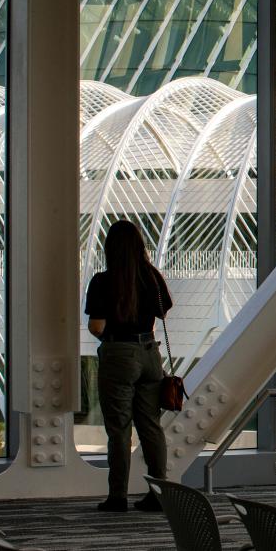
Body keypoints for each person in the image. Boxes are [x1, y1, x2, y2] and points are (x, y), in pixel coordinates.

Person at [85, 219, 173, 512]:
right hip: (150, 353)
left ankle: (118, 496)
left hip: (119, 355)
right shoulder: (150, 277)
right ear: (139, 247)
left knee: (119, 429)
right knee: (151, 425)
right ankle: (159, 492)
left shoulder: (102, 281)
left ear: (110, 248)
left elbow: (97, 326)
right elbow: (164, 310)